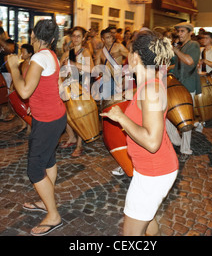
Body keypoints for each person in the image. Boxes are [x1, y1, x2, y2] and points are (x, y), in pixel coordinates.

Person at [100, 31, 178, 236]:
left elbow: (152, 142)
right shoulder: (149, 83)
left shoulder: (150, 90)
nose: (127, 57)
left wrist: (121, 117)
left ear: (135, 58)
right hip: (152, 169)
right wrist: (125, 95)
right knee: (149, 223)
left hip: (154, 172)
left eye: (130, 53)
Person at [7, 19, 67, 236]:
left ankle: (53, 215)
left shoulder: (39, 57)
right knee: (48, 159)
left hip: (49, 121)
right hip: (54, 116)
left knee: (34, 168)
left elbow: (23, 91)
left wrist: (13, 68)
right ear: (52, 39)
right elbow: (47, 87)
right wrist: (35, 105)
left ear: (33, 35)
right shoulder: (51, 55)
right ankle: (46, 200)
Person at [166, 22, 201, 159]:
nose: (179, 34)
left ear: (189, 32)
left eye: (182, 31)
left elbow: (189, 61)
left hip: (189, 84)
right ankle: (177, 142)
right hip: (177, 84)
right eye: (178, 31)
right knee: (168, 114)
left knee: (186, 117)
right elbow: (178, 62)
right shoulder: (182, 46)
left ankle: (185, 148)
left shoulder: (194, 45)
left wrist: (175, 50)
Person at [60, 26, 94, 157]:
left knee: (79, 115)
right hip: (68, 86)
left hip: (81, 86)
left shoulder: (84, 52)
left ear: (83, 38)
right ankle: (71, 137)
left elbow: (91, 68)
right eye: (74, 36)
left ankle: (79, 145)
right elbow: (59, 67)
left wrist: (75, 65)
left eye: (78, 36)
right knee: (65, 114)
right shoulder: (67, 52)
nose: (75, 38)